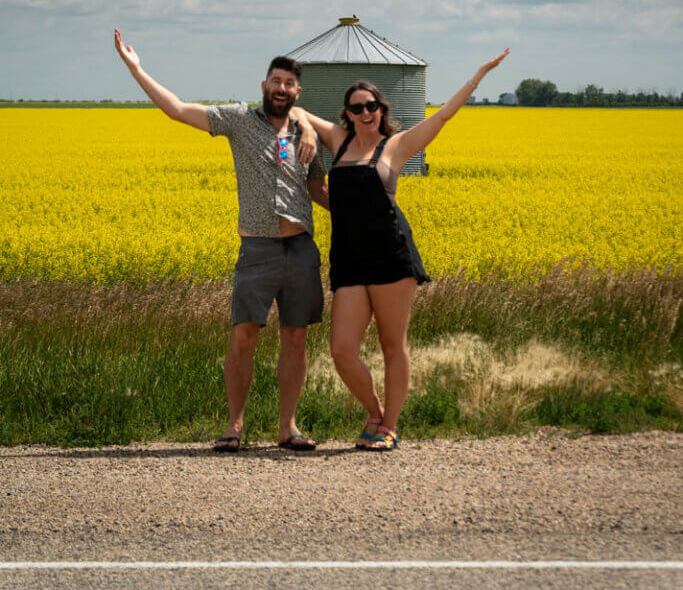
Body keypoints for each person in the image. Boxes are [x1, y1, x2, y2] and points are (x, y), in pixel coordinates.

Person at [114, 30, 328, 453]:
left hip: (300, 247)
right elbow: (177, 110)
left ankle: (288, 428)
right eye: (276, 82)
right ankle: (233, 426)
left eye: (289, 84)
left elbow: (318, 189)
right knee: (243, 335)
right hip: (258, 249)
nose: (281, 89)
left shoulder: (306, 132)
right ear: (263, 85)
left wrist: (364, 214)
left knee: (296, 337)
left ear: (296, 91)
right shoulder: (238, 120)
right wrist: (136, 69)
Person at [292, 48, 509, 451]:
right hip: (350, 259)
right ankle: (373, 412)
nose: (366, 112)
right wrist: (306, 130)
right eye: (357, 108)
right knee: (341, 349)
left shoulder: (396, 145)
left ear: (381, 107)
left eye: (372, 105)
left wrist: (477, 76)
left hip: (391, 256)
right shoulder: (337, 141)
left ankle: (388, 426)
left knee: (394, 346)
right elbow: (298, 111)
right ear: (348, 114)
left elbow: (442, 116)